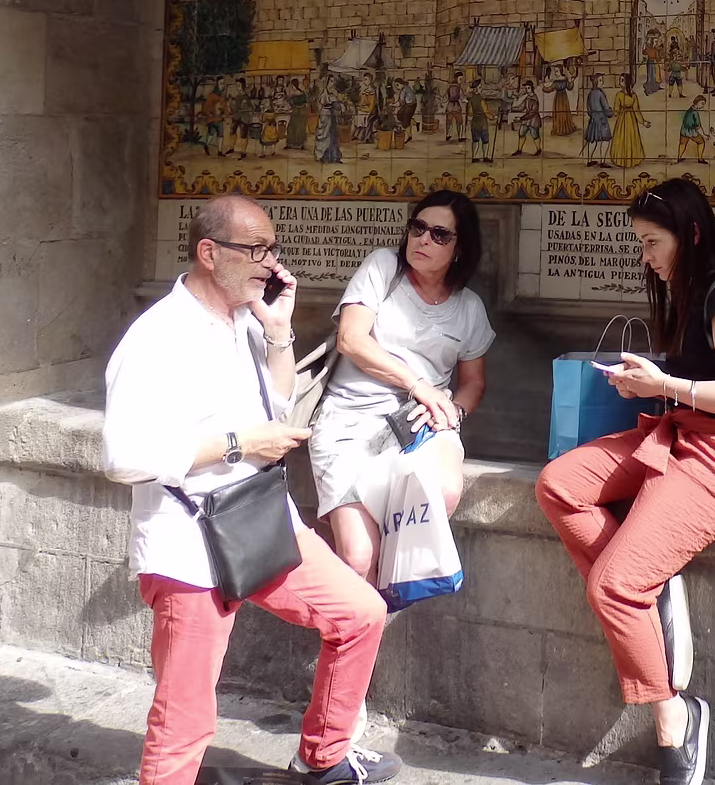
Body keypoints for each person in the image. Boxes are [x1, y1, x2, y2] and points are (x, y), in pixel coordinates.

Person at [102, 195, 400, 785]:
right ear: (209, 253)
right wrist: (240, 444)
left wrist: (280, 332)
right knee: (186, 717)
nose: (270, 263)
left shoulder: (243, 319)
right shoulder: (157, 337)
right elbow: (123, 457)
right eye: (255, 250)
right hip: (189, 543)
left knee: (361, 613)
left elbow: (276, 401)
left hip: (259, 519)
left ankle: (323, 757)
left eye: (272, 249)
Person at [533, 179, 715, 785]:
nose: (645, 258)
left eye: (652, 243)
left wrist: (663, 384)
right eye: (640, 244)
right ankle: (648, 577)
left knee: (614, 587)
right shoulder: (690, 291)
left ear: (690, 234)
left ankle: (675, 716)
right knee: (559, 484)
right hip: (678, 431)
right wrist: (647, 378)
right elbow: (697, 373)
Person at [310, 191, 494, 585]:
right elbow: (351, 340)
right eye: (418, 228)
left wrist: (451, 412)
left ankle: (384, 604)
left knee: (441, 494)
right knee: (358, 558)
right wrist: (418, 385)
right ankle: (359, 618)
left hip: (420, 424)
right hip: (351, 418)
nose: (424, 239)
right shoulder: (383, 267)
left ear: (460, 249)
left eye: (440, 234)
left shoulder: (469, 307)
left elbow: (473, 383)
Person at [584, 73, 614, 166]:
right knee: (605, 140)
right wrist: (611, 113)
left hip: (593, 120)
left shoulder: (590, 94)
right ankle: (602, 161)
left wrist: (593, 115)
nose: (602, 82)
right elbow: (606, 108)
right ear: (596, 82)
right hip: (601, 120)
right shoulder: (600, 94)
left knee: (593, 140)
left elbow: (588, 110)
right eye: (600, 80)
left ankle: (589, 160)